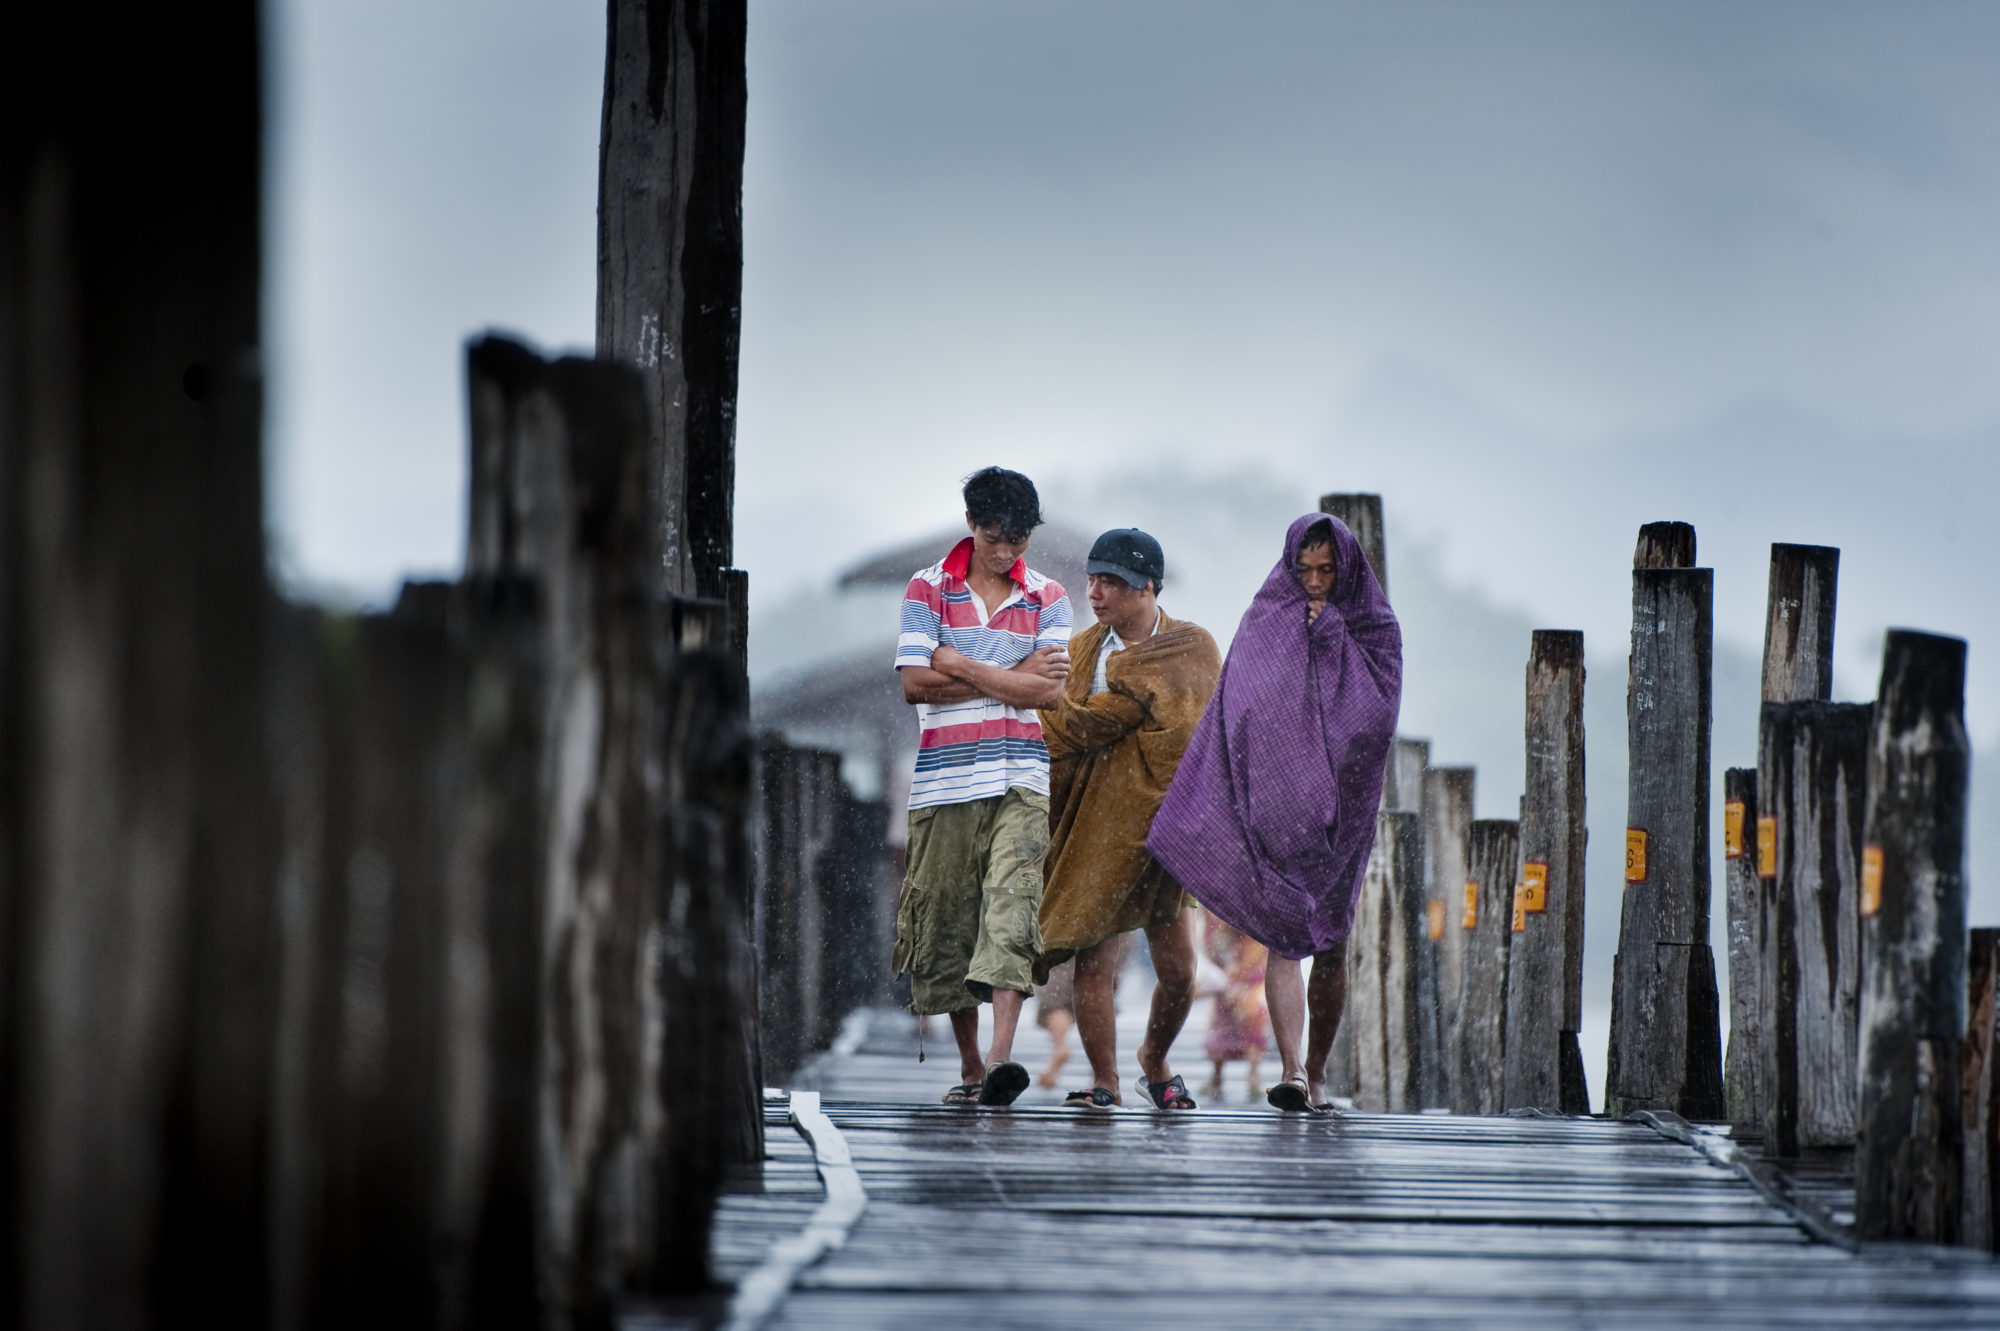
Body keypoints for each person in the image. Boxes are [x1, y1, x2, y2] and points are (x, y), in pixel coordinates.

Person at [1147, 514, 1402, 1113]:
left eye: (1327, 571)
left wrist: (1332, 635)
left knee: (1332, 944)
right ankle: (1290, 1071)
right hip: (1279, 808)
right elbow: (1242, 705)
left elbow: (1376, 716)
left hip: (1345, 809)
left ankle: (1315, 1071)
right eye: (1305, 570)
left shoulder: (1373, 626)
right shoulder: (1267, 618)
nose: (1314, 582)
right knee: (1286, 940)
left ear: (1347, 570)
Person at [892, 467, 1073, 1106]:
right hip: (942, 782)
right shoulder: (927, 587)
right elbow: (914, 684)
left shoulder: (1049, 596)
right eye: (996, 537)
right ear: (972, 524)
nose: (1006, 552)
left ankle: (1001, 1056)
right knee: (947, 922)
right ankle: (971, 1064)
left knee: (1011, 906)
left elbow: (1048, 692)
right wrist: (1009, 672)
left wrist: (959, 661)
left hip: (1021, 775)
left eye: (1018, 540)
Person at [1033, 528, 1221, 1110]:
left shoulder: (1191, 649)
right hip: (1097, 824)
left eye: (1110, 582)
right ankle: (1105, 1081)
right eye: (1092, 580)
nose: (1095, 592)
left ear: (1147, 588)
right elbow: (1060, 726)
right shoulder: (1084, 649)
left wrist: (1120, 712)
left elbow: (1197, 735)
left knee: (1178, 969)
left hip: (1165, 825)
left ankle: (1154, 1058)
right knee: (1095, 958)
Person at [1200, 912, 1271, 1100]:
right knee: (1235, 1024)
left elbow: (1212, 944)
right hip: (1237, 971)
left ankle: (1245, 1077)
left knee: (1245, 1023)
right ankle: (1223, 1078)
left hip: (1245, 971)